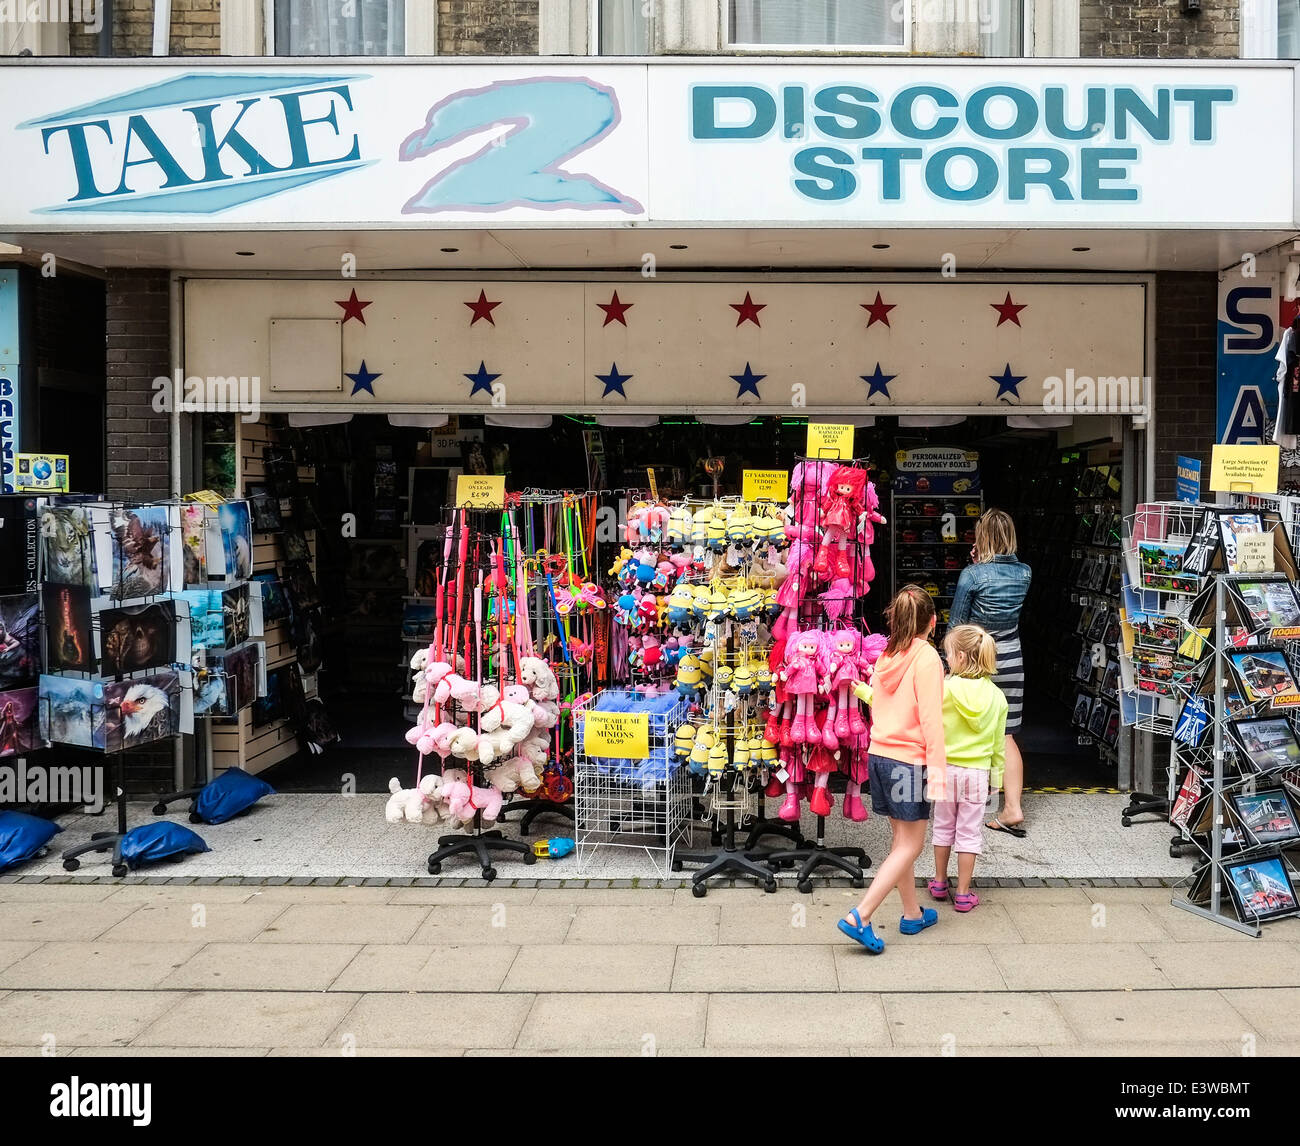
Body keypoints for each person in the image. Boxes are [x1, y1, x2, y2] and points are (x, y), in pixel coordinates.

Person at [837, 585, 946, 954]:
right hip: (909, 761)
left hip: (880, 755)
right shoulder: (928, 658)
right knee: (911, 845)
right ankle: (861, 915)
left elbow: (882, 705)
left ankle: (912, 913)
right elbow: (932, 721)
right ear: (932, 622)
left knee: (901, 843)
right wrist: (940, 772)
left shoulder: (886, 654)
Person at [949, 508, 1031, 838]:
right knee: (1006, 734)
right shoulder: (1025, 572)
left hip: (976, 659)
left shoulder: (972, 574)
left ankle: (967, 803)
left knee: (968, 728)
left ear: (982, 537)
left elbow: (957, 625)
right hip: (1011, 657)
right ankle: (1011, 808)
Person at [928, 625, 1008, 912]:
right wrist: (997, 778)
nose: (947, 660)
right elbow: (999, 746)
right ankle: (963, 893)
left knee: (943, 825)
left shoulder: (945, 689)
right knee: (969, 832)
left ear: (960, 657)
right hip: (977, 773)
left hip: (944, 769)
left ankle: (939, 882)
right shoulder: (998, 697)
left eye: (948, 654)